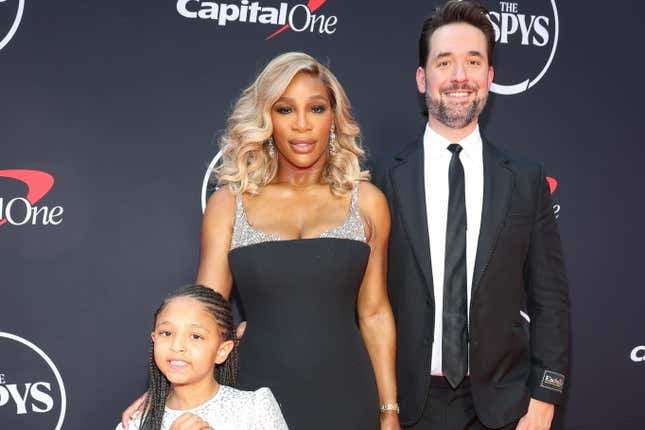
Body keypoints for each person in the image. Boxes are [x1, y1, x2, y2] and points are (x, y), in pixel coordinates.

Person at [123, 52, 400, 430]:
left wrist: (388, 410)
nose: (302, 125)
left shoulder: (367, 202)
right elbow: (204, 312)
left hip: (349, 394)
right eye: (285, 110)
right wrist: (162, 393)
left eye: (316, 108)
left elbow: (375, 312)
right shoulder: (229, 204)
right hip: (253, 396)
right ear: (266, 119)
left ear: (333, 117)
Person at [371, 2, 570, 430]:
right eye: (445, 62)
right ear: (423, 78)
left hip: (505, 410)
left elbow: (549, 298)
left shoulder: (525, 180)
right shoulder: (380, 178)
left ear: (490, 77)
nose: (460, 76)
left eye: (473, 62)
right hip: (400, 406)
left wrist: (544, 398)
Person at [116, 284, 287, 430]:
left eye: (196, 336)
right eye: (166, 333)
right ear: (154, 339)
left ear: (222, 351)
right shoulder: (135, 422)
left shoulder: (253, 408)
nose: (177, 346)